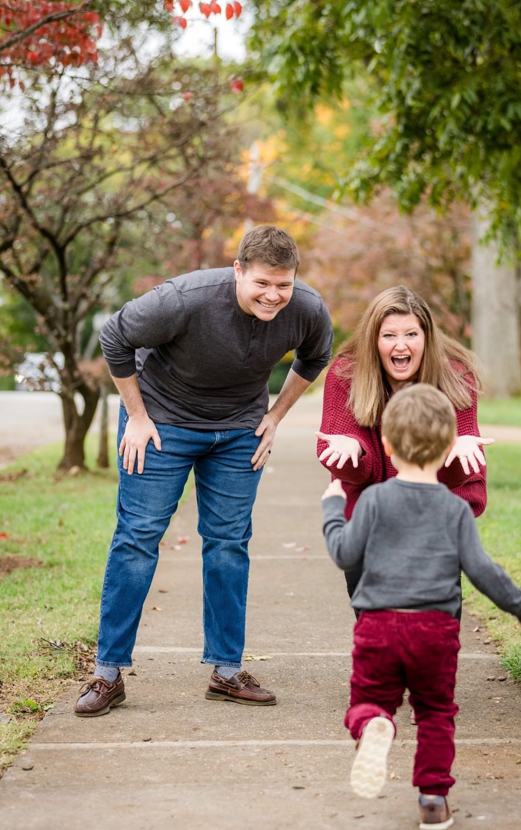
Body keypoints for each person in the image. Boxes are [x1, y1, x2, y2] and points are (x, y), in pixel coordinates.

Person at [76, 225, 334, 717]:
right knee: (138, 537)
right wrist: (136, 416)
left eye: (284, 284)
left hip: (238, 431)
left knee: (229, 542)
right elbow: (114, 336)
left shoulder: (306, 309)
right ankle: (108, 674)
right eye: (262, 283)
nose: (274, 296)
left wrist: (274, 417)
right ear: (238, 270)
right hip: (160, 425)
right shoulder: (185, 298)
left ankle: (227, 671)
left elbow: (315, 356)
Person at [321, 383, 521, 830]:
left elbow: (345, 555)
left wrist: (332, 508)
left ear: (386, 444)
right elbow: (481, 570)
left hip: (377, 627)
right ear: (446, 449)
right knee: (436, 713)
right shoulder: (454, 509)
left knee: (369, 700)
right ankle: (434, 800)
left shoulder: (375, 499)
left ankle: (374, 724)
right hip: (435, 631)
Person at [316, 286, 490, 606]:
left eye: (411, 334)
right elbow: (350, 466)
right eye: (389, 336)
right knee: (375, 624)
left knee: (434, 622)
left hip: (434, 515)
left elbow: (453, 476)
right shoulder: (346, 374)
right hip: (370, 516)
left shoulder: (455, 375)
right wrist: (352, 451)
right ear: (374, 340)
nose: (400, 345)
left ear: (426, 337)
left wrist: (456, 456)